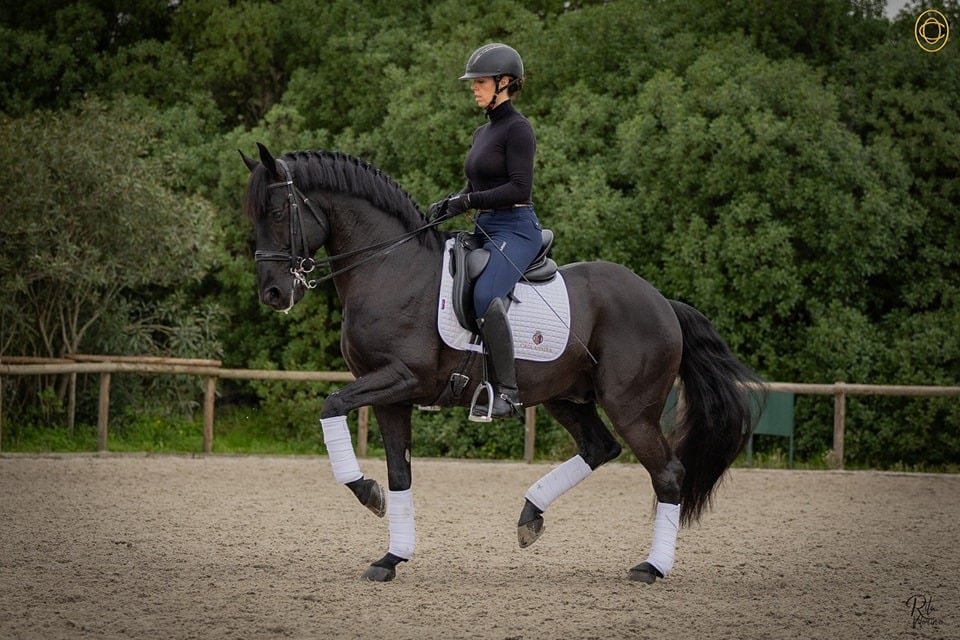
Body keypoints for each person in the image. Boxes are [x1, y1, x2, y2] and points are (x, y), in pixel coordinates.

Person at [430, 43, 541, 420]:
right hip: (486, 227)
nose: (474, 88)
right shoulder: (482, 133)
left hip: (517, 227)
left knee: (486, 293)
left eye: (480, 82)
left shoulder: (518, 130)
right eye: (473, 82)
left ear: (505, 82)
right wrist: (450, 202)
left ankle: (507, 395)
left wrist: (469, 201)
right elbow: (473, 183)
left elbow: (518, 188)